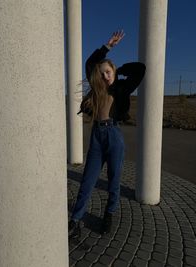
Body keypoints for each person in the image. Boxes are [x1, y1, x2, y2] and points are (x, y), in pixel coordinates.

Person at [69, 30, 146, 238]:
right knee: (88, 180)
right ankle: (75, 220)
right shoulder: (97, 87)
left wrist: (119, 69)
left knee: (114, 180)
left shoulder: (122, 87)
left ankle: (109, 215)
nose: (105, 76)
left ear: (113, 71)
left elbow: (140, 70)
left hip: (114, 135)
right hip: (97, 136)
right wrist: (107, 47)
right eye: (102, 73)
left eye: (108, 72)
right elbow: (89, 63)